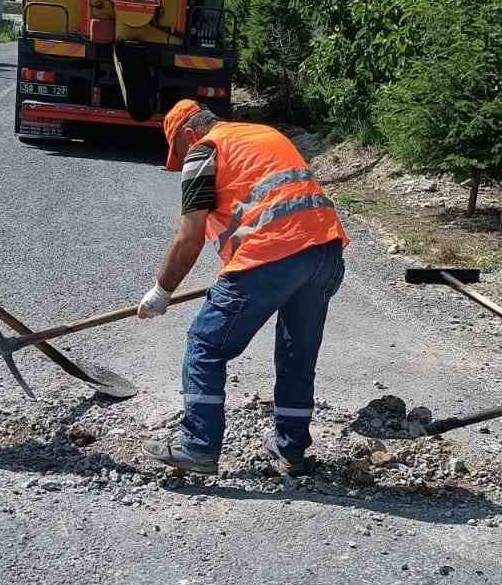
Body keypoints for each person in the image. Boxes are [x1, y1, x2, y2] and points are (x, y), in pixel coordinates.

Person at [136, 99, 349, 476]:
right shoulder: (264, 134)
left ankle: (198, 447)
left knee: (206, 344)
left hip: (271, 254)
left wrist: (161, 291)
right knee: (297, 353)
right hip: (326, 253)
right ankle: (290, 449)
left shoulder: (204, 150)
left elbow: (189, 237)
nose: (181, 163)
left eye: (179, 153)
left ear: (189, 134)